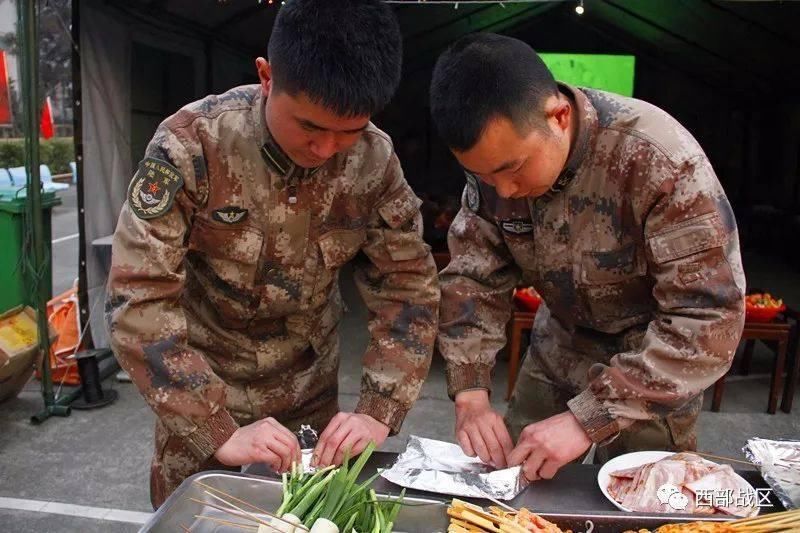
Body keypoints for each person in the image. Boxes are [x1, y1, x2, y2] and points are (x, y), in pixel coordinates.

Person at [106, 0, 439, 509]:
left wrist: (379, 407)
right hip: (200, 391)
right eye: (309, 127)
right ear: (266, 76)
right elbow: (137, 298)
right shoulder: (192, 146)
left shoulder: (374, 160)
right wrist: (214, 427)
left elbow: (408, 285)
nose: (326, 149)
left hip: (309, 395)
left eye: (347, 131)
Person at [430, 33, 745, 482]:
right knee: (517, 494)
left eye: (511, 169)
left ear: (558, 117)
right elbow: (473, 280)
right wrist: (471, 392)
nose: (503, 191)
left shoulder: (659, 160)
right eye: (483, 175)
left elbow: (709, 318)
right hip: (558, 351)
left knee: (640, 508)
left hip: (651, 371)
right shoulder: (496, 169)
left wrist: (588, 417)